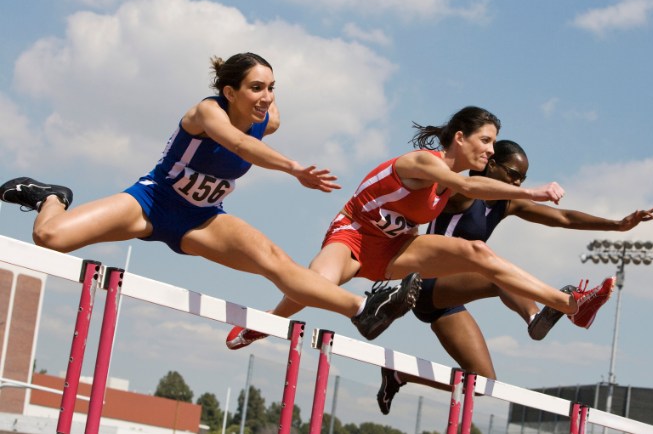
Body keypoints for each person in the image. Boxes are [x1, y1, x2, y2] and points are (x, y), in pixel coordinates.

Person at [0, 52, 420, 340]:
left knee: (276, 263)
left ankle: (364, 309)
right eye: (256, 88)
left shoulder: (268, 118)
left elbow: (254, 133)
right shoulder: (206, 112)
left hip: (202, 218)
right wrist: (294, 169)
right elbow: (238, 145)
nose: (267, 98)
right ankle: (51, 196)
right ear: (230, 91)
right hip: (151, 202)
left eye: (272, 87)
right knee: (50, 239)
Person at [226, 106, 615, 350]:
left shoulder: (455, 177)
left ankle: (570, 305)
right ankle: (264, 324)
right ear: (459, 137)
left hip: (398, 248)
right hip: (354, 235)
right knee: (314, 283)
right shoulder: (423, 163)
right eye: (486, 140)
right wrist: (534, 192)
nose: (491, 151)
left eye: (494, 144)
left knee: (477, 253)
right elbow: (469, 186)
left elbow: (472, 186)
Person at [375, 139, 653, 414]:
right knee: (493, 268)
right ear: (491, 164)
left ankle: (400, 375)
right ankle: (537, 317)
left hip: (445, 301)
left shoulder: (506, 204)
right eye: (513, 175)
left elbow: (563, 218)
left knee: (483, 382)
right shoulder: (462, 193)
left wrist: (617, 225)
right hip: (425, 282)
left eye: (522, 179)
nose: (517, 184)